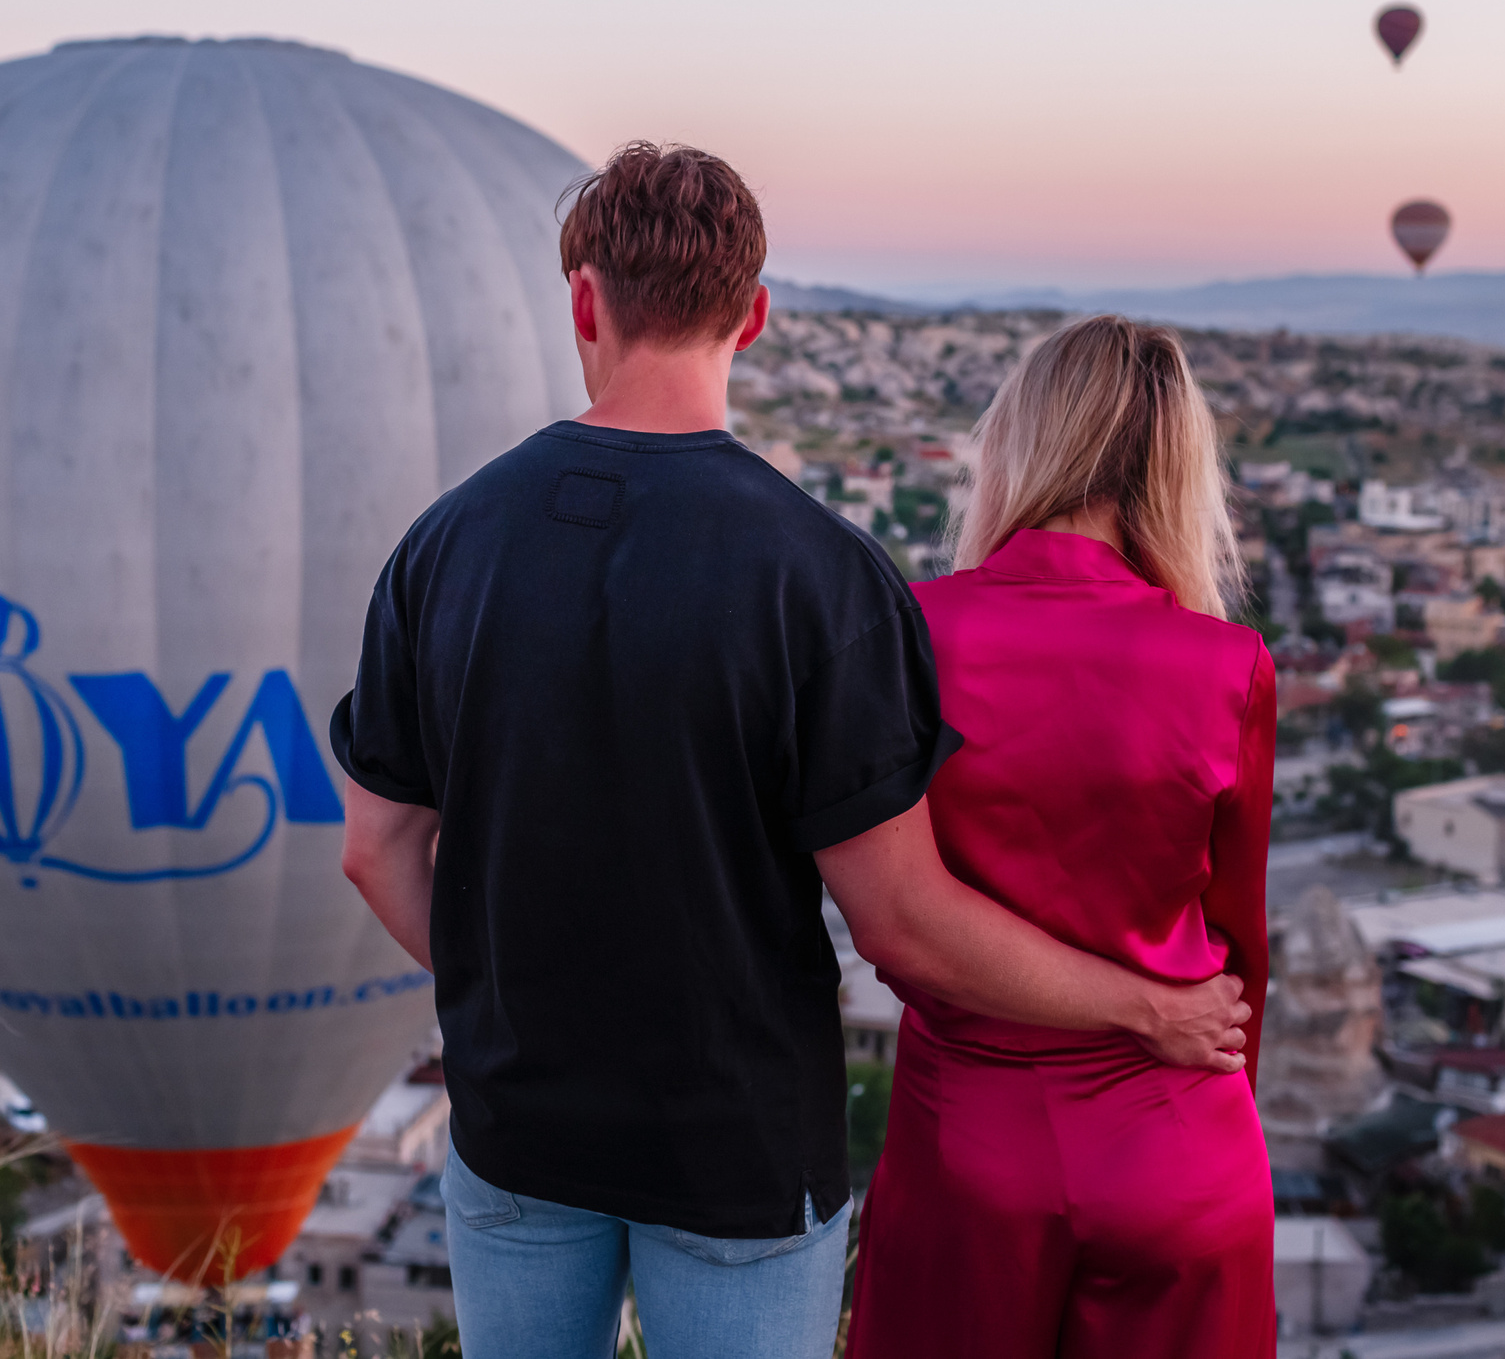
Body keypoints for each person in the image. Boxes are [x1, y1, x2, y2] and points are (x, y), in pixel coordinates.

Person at [330, 145, 1250, 1359]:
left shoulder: (443, 547)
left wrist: (512, 1001)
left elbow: (376, 850)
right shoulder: (823, 576)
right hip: (740, 1146)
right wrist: (1149, 1008)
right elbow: (906, 925)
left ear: (581, 301)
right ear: (754, 316)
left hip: (517, 1129)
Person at [845, 314, 1277, 1358]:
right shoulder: (1227, 665)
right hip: (1182, 1148)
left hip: (970, 1148)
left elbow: (896, 916)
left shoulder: (913, 633)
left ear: (1018, 442)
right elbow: (1239, 946)